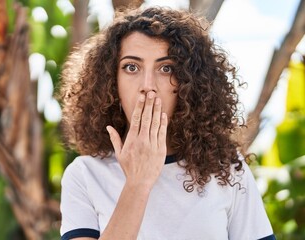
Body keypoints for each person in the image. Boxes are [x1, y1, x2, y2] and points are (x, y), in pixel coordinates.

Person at [58, 6, 275, 240]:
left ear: (188, 85)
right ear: (112, 82)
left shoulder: (226, 170)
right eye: (132, 67)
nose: (148, 85)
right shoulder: (85, 175)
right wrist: (138, 184)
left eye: (166, 68)